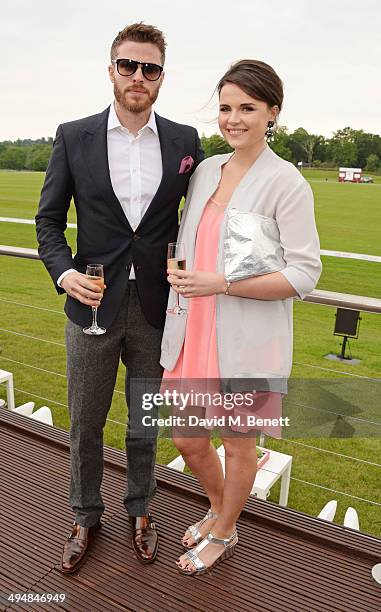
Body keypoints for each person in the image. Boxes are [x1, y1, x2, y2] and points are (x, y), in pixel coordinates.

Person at [35, 22, 204, 572]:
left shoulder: (185, 142)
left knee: (143, 423)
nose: (138, 76)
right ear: (111, 69)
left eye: (149, 68)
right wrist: (64, 274)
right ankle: (84, 516)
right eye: (128, 65)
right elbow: (48, 223)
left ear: (161, 77)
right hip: (90, 307)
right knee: (85, 422)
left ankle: (140, 509)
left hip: (158, 310)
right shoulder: (73, 135)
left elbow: (197, 219)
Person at [160, 59, 322, 575]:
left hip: (247, 338)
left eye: (247, 108)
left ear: (273, 113)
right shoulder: (208, 169)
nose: (233, 118)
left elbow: (304, 274)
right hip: (191, 331)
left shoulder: (287, 182)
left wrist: (222, 283)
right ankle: (218, 508)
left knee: (237, 443)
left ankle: (225, 531)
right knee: (187, 439)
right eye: (226, 107)